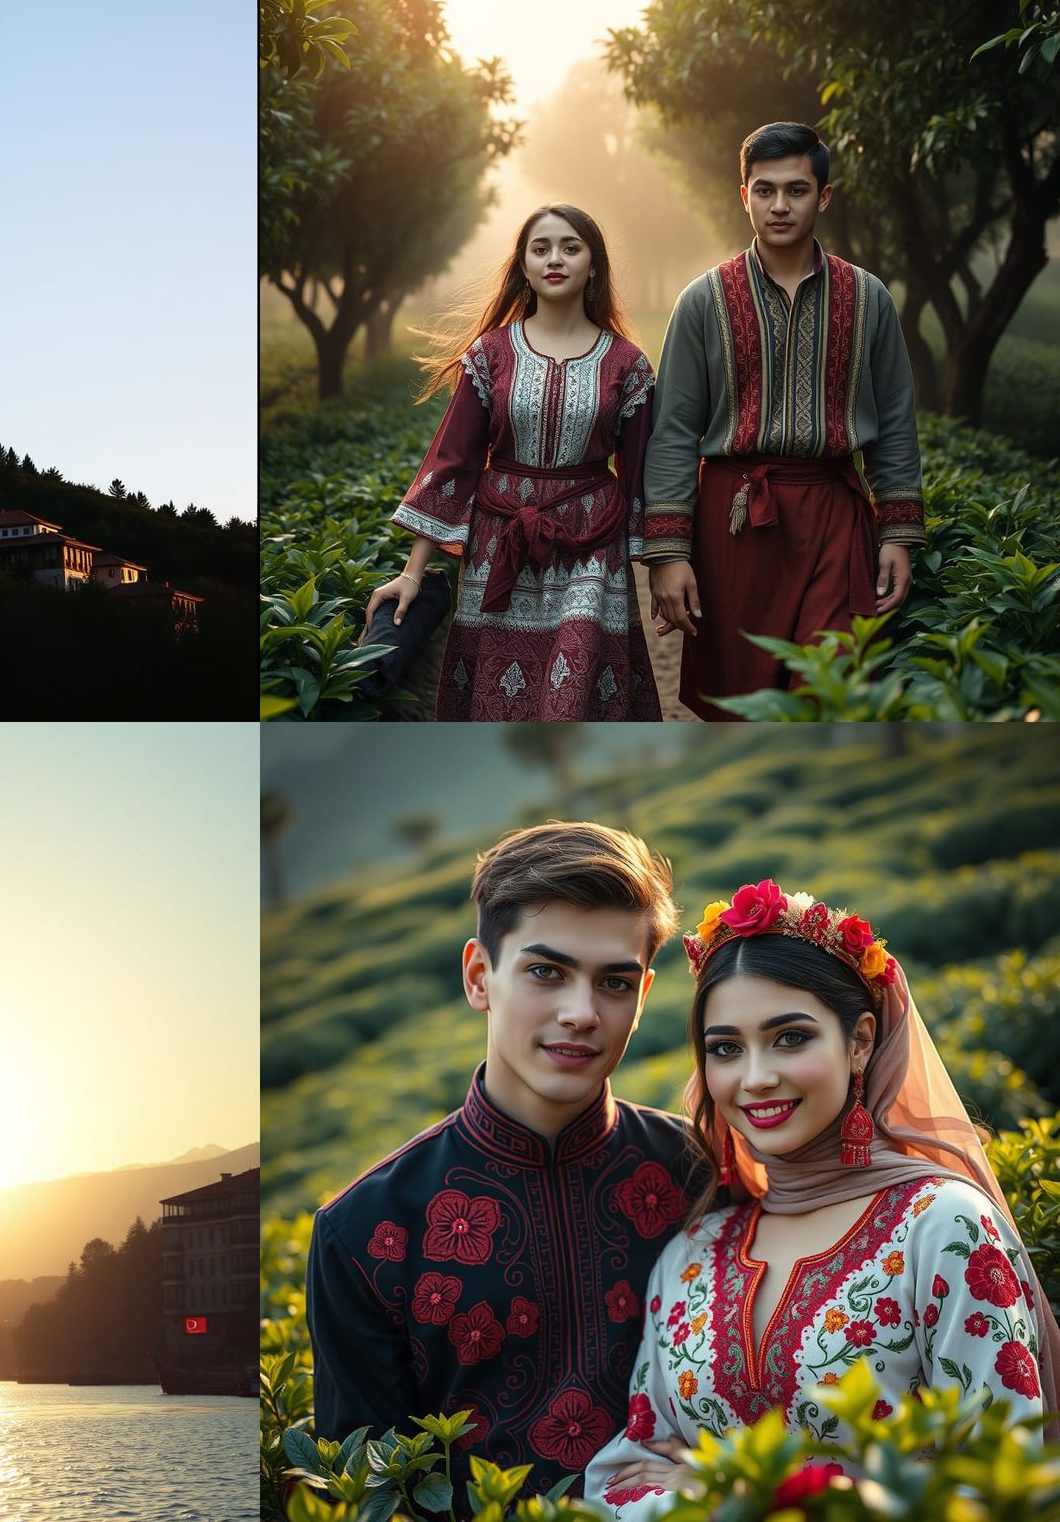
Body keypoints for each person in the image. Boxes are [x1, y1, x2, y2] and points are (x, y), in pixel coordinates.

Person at [585, 881, 1059, 1519]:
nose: (755, 1077)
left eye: (790, 1038)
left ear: (859, 1041)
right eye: (726, 1048)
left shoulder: (941, 1228)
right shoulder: (692, 1255)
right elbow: (616, 1481)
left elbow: (1002, 1478)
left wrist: (734, 1494)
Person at [306, 823, 712, 1510]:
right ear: (478, 977)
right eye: (546, 971)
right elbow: (373, 1494)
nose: (581, 1013)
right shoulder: (363, 1230)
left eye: (614, 982)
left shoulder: (702, 1172)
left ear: (643, 995)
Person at [643, 122, 927, 721]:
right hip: (736, 518)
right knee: (741, 704)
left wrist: (898, 533)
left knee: (829, 693)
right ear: (742, 194)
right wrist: (668, 553)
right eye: (764, 189)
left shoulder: (868, 297)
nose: (780, 205)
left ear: (823, 196)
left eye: (797, 190)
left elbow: (896, 422)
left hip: (833, 514)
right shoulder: (703, 300)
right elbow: (671, 430)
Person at [362, 206, 661, 720]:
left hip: (592, 545)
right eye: (540, 248)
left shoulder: (627, 363)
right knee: (500, 705)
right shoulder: (490, 354)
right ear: (523, 265)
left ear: (594, 266)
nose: (555, 259)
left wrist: (665, 567)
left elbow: (643, 473)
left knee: (573, 697)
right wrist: (412, 574)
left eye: (571, 247)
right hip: (499, 542)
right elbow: (453, 461)